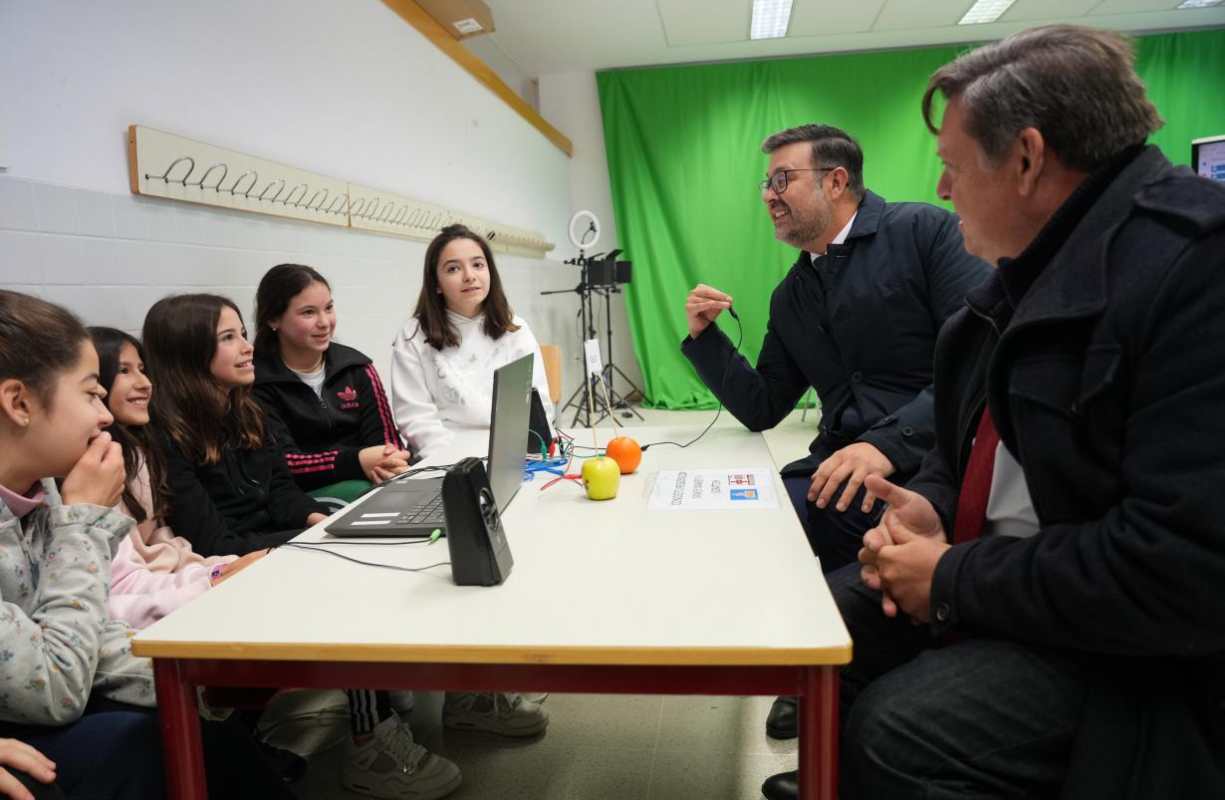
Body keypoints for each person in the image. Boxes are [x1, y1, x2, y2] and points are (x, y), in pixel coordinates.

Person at [761, 25, 1225, 799]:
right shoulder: (1020, 273)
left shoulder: (1192, 270)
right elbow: (973, 437)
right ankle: (831, 781)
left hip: (1138, 645)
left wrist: (951, 578)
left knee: (899, 731)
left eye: (949, 166)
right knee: (825, 621)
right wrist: (933, 506)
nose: (941, 191)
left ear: (1025, 158)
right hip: (1024, 572)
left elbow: (1180, 568)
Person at [683, 124, 991, 739]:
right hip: (836, 468)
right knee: (756, 522)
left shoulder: (923, 234)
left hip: (929, 467)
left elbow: (979, 362)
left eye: (781, 179)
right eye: (765, 183)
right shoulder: (792, 293)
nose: (768, 194)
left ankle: (842, 677)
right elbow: (763, 403)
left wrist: (885, 443)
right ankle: (814, 671)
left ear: (836, 180)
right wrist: (703, 338)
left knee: (838, 564)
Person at [141, 293, 468, 800]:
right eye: (228, 339)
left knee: (374, 538)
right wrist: (309, 542)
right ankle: (370, 744)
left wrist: (321, 520)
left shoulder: (245, 410)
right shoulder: (168, 438)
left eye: (242, 334)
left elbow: (284, 496)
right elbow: (215, 542)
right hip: (228, 567)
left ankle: (432, 687)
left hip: (269, 545)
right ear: (188, 356)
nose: (247, 348)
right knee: (343, 581)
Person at [0, 291, 292, 800]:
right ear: (19, 403)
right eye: (92, 393)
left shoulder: (39, 491)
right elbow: (56, 688)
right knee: (134, 745)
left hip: (40, 694)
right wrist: (85, 523)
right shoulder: (73, 503)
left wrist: (196, 685)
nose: (105, 414)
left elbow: (87, 634)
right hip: (37, 705)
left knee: (206, 733)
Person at [89, 327, 264, 630]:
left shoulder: (140, 451)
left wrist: (221, 569)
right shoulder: (95, 467)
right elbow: (123, 582)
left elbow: (159, 543)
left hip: (174, 582)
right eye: (124, 371)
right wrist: (213, 579)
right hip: (148, 606)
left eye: (143, 370)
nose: (144, 384)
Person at [391, 224, 554, 459]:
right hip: (446, 461)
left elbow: (537, 407)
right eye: (453, 268)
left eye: (478, 264)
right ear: (436, 282)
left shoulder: (515, 329)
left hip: (510, 456)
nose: (469, 276)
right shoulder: (413, 335)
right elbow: (416, 418)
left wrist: (518, 454)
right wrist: (458, 463)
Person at [253, 264, 410, 502]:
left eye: (328, 308)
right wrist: (357, 462)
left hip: (370, 477)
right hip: (301, 496)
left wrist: (388, 460)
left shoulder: (357, 367)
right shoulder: (257, 381)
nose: (324, 322)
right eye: (308, 313)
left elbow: (387, 441)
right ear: (274, 319)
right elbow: (283, 464)